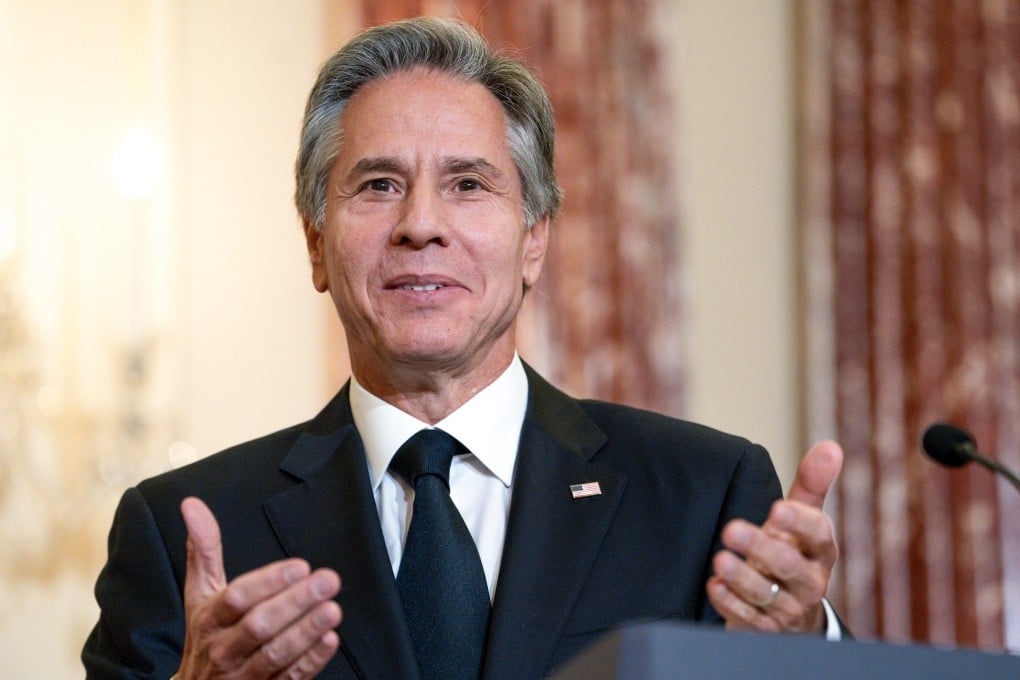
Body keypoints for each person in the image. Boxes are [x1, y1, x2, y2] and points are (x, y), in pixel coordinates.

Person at [82, 16, 846, 680]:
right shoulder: (184, 534)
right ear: (316, 243)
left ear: (534, 241)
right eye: (378, 184)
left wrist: (801, 649)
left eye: (469, 185)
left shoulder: (703, 495)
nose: (422, 224)